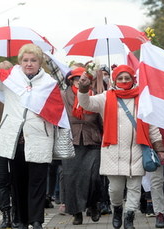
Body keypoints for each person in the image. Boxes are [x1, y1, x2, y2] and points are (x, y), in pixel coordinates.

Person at [0, 42, 67, 229]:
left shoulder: (49, 84)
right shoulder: (11, 78)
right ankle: (21, 220)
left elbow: (57, 112)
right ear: (20, 62)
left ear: (40, 63)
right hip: (16, 140)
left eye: (33, 60)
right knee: (18, 182)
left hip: (39, 139)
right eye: (25, 60)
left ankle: (36, 220)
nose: (29, 63)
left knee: (37, 183)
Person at [78, 65, 164, 229]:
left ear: (133, 79)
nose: (124, 81)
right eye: (120, 78)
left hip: (137, 150)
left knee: (134, 189)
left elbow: (152, 126)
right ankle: (117, 209)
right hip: (113, 152)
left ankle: (129, 216)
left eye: (127, 78)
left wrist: (159, 148)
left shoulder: (143, 99)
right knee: (115, 189)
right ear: (114, 80)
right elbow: (86, 103)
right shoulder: (105, 97)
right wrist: (83, 87)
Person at [61, 67, 103, 225]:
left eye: (83, 78)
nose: (80, 81)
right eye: (76, 78)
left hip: (92, 140)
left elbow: (101, 119)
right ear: (71, 80)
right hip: (71, 141)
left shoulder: (94, 95)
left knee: (93, 177)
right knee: (71, 178)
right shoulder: (63, 95)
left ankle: (93, 204)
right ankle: (76, 212)